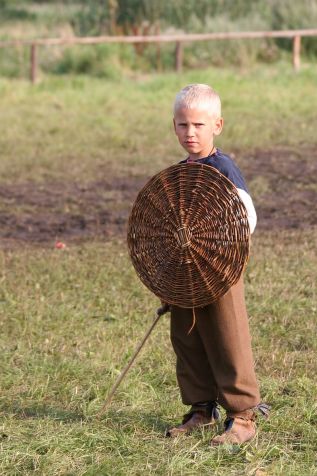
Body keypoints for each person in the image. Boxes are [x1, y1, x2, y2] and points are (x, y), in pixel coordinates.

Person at [161, 84, 268, 446]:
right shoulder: (178, 173)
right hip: (185, 272)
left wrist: (217, 245)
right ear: (174, 125)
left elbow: (246, 218)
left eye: (198, 125)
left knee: (227, 335)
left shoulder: (223, 169)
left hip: (220, 269)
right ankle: (201, 409)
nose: (190, 133)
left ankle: (243, 415)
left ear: (217, 125)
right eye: (182, 125)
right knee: (187, 336)